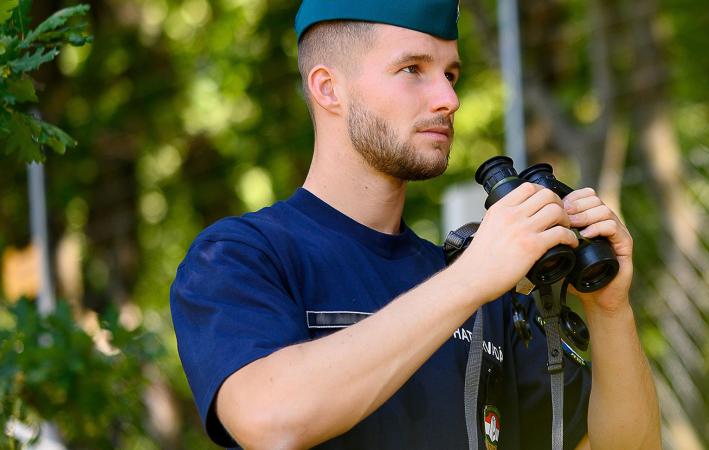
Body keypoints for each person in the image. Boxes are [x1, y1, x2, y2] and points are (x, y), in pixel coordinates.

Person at [170, 1, 662, 449]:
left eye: (451, 74)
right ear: (328, 88)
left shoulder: (485, 288)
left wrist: (609, 310)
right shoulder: (242, 255)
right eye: (413, 69)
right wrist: (471, 279)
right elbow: (270, 418)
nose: (448, 99)